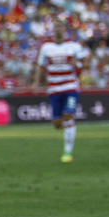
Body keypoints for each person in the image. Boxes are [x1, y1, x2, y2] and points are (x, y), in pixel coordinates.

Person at [34, 19, 89, 163]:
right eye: (56, 27)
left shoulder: (73, 46)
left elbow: (85, 63)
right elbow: (40, 66)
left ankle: (67, 153)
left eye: (60, 27)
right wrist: (36, 83)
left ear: (65, 30)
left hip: (70, 87)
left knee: (68, 115)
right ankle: (69, 129)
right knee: (58, 124)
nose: (58, 29)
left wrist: (76, 63)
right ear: (53, 30)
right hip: (54, 89)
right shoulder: (46, 47)